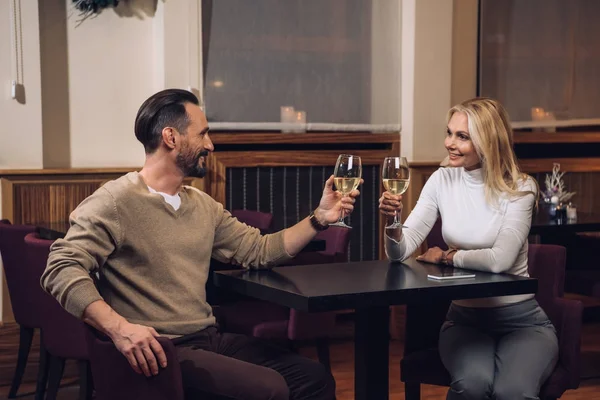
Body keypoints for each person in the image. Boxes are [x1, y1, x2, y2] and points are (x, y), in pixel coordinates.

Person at [42, 88, 361, 400]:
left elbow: (259, 250)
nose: (210, 144)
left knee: (313, 378)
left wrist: (320, 218)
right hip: (161, 349)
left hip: (208, 338)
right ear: (171, 138)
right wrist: (120, 329)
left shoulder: (202, 205)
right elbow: (60, 268)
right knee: (268, 388)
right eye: (202, 134)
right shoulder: (115, 200)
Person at [379, 97, 558, 400]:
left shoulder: (520, 187)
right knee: (472, 385)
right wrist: (393, 220)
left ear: (489, 141)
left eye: (462, 137)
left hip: (524, 322)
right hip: (464, 321)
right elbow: (399, 251)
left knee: (512, 391)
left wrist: (448, 256)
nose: (449, 143)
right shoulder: (441, 179)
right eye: (449, 133)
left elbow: (499, 260)